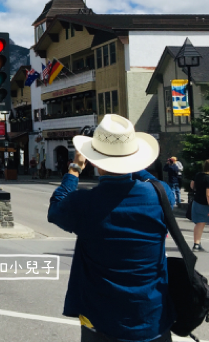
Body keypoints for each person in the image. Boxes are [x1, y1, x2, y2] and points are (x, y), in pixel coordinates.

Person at [48, 115, 175, 342]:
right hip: (153, 316)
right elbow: (152, 182)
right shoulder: (160, 194)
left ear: (94, 162)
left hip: (102, 319)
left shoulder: (84, 203)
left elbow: (56, 209)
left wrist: (75, 169)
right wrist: (132, 163)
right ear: (135, 159)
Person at [190, 159, 209, 252]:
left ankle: (196, 244)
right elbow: (208, 194)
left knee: (200, 223)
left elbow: (192, 185)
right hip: (206, 204)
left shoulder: (198, 175)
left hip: (197, 201)